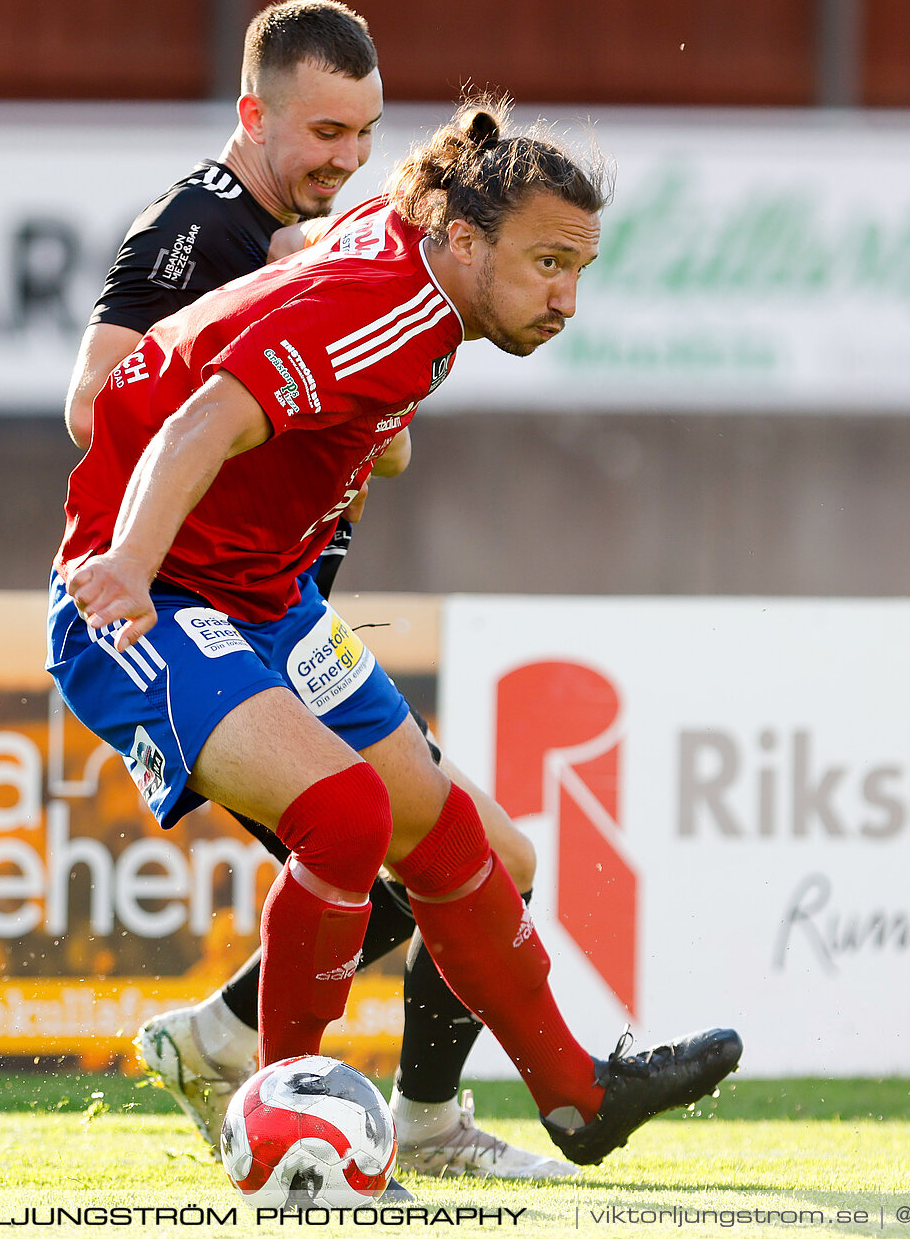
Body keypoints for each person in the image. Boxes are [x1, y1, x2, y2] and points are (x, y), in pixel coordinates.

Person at [48, 98, 742, 1169]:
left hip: (271, 600)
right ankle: (282, 1121)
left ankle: (577, 1095)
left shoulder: (415, 257)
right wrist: (130, 564)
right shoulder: (390, 308)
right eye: (546, 263)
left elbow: (297, 258)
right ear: (462, 241)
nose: (564, 298)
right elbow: (202, 420)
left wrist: (331, 373)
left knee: (464, 844)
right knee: (344, 811)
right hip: (151, 595)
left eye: (578, 271)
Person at [64, 0, 565, 1178]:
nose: (347, 161)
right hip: (205, 614)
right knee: (388, 855)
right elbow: (97, 402)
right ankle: (277, 1083)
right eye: (325, 133)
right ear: (255, 115)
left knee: (495, 863)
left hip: (289, 611)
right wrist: (248, 375)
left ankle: (282, 1067)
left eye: (365, 134)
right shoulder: (205, 226)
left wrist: (348, 417)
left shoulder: (347, 250)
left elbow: (368, 434)